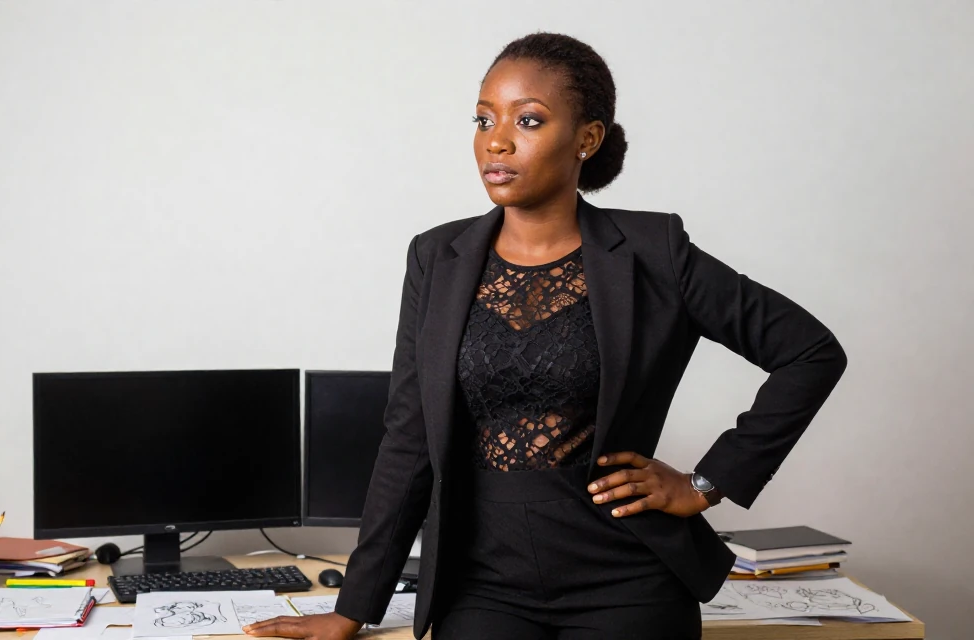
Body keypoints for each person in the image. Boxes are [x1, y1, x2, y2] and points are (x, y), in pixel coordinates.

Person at [244, 32, 847, 640]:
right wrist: (353, 608)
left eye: (527, 120)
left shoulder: (653, 253)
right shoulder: (437, 257)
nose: (496, 140)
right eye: (483, 119)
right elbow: (409, 438)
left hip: (626, 580)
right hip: (483, 583)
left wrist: (706, 484)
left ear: (587, 138)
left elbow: (810, 352)